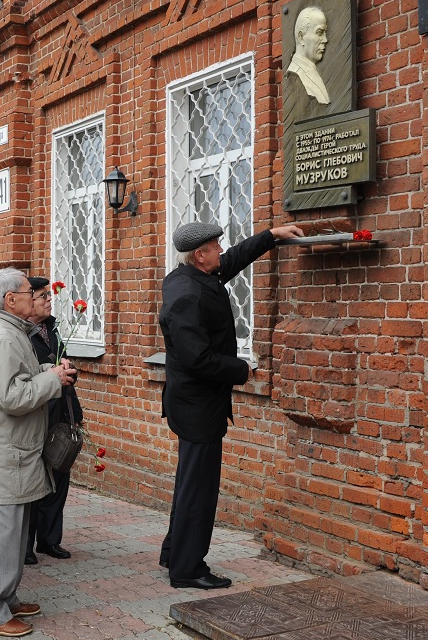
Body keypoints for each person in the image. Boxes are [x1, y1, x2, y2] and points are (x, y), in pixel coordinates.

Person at [159, 220, 303, 589]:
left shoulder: (189, 277)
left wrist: (272, 236)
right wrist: (242, 369)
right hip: (197, 406)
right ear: (199, 254)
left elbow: (234, 259)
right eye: (215, 246)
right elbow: (198, 359)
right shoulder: (187, 295)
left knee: (190, 483)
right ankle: (188, 569)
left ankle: (175, 552)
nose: (222, 251)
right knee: (199, 489)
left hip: (195, 404)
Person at [0, 268, 76, 637]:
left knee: (9, 536)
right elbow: (12, 396)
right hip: (0, 455)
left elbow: (15, 377)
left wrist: (45, 369)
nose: (37, 296)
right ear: (11, 300)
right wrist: (53, 379)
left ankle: (5, 599)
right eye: (30, 292)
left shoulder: (10, 331)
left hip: (10, 452)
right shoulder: (1, 337)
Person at [24, 277, 84, 565]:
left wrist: (70, 370)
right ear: (27, 301)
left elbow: (67, 368)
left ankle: (49, 539)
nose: (49, 300)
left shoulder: (53, 329)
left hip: (61, 412)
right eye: (42, 296)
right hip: (36, 414)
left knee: (60, 474)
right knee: (33, 481)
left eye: (50, 295)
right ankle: (24, 545)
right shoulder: (21, 334)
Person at [287, 6, 329, 105]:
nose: (325, 39)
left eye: (325, 33)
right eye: (319, 33)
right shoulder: (295, 74)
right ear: (301, 37)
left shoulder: (311, 70)